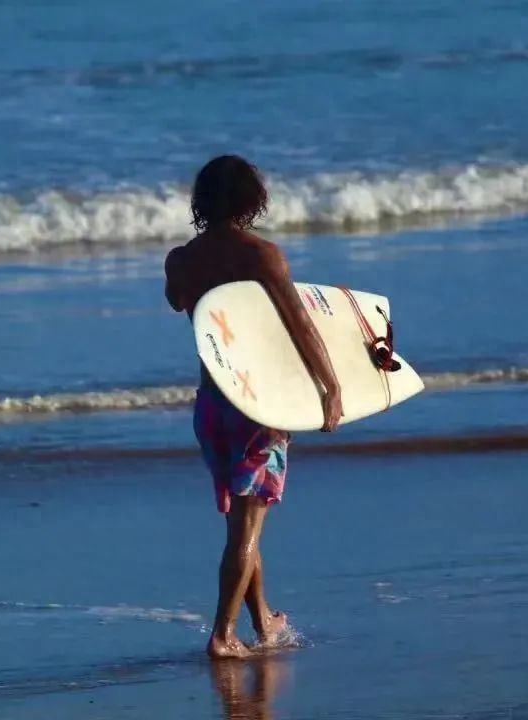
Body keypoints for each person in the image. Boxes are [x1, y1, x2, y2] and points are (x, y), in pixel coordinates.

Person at [164, 155, 344, 659]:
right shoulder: (262, 255)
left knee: (243, 522)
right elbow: (301, 324)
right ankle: (223, 635)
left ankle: (262, 618)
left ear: (201, 201)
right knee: (246, 527)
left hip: (212, 407)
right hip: (257, 408)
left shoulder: (180, 260)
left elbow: (177, 302)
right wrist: (329, 387)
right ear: (252, 199)